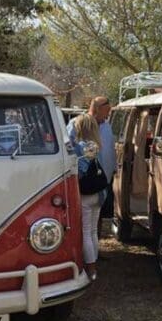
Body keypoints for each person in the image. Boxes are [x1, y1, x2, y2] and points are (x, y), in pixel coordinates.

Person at [68, 96, 116, 235]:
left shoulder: (106, 126)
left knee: (97, 217)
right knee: (84, 219)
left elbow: (110, 149)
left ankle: (96, 251)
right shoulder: (76, 123)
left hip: (103, 179)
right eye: (106, 111)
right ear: (97, 109)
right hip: (85, 180)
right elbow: (69, 148)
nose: (107, 115)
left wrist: (113, 169)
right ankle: (83, 251)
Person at [71, 114, 107, 281]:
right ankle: (94, 265)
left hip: (85, 194)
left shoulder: (81, 147)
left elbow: (81, 171)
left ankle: (90, 268)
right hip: (98, 193)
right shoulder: (97, 145)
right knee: (92, 230)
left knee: (85, 232)